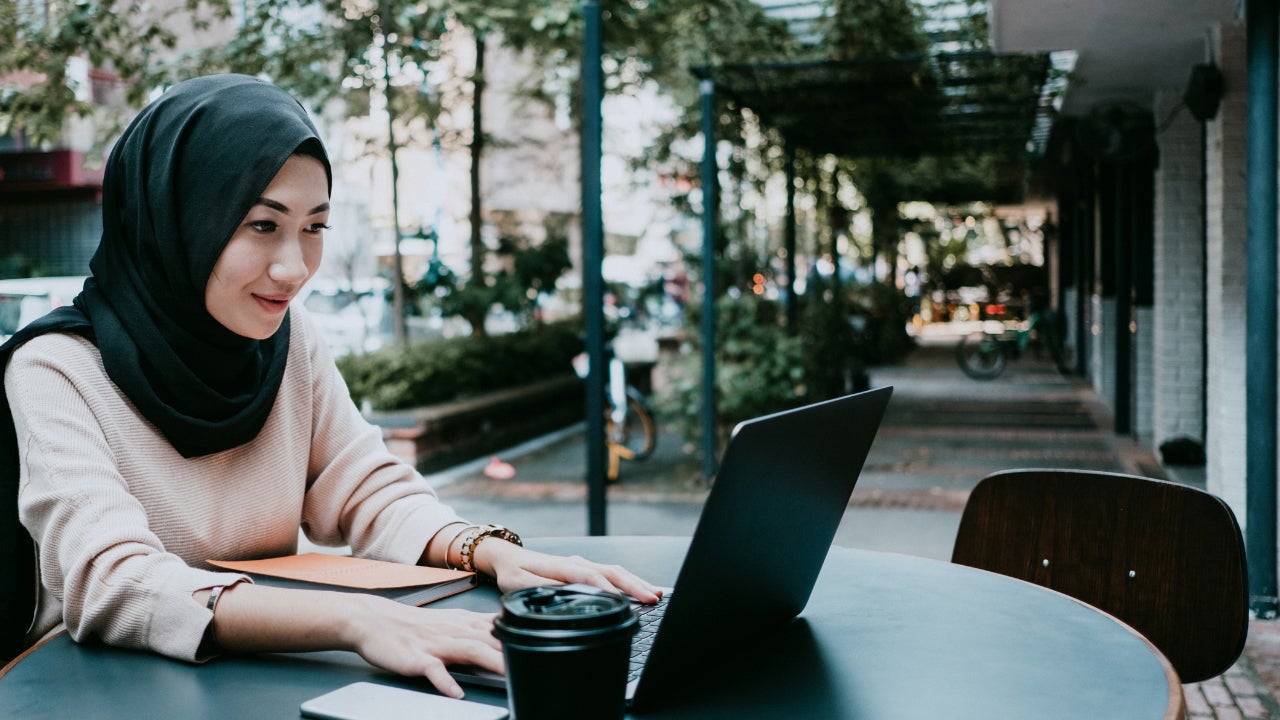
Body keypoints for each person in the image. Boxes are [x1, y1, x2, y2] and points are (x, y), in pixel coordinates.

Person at [0, 74, 661, 699]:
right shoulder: (57, 368)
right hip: (96, 691)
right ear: (179, 222)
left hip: (260, 681)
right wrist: (358, 622)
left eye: (314, 227)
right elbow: (112, 581)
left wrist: (490, 553)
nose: (294, 268)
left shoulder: (289, 341)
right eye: (263, 225)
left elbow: (364, 488)